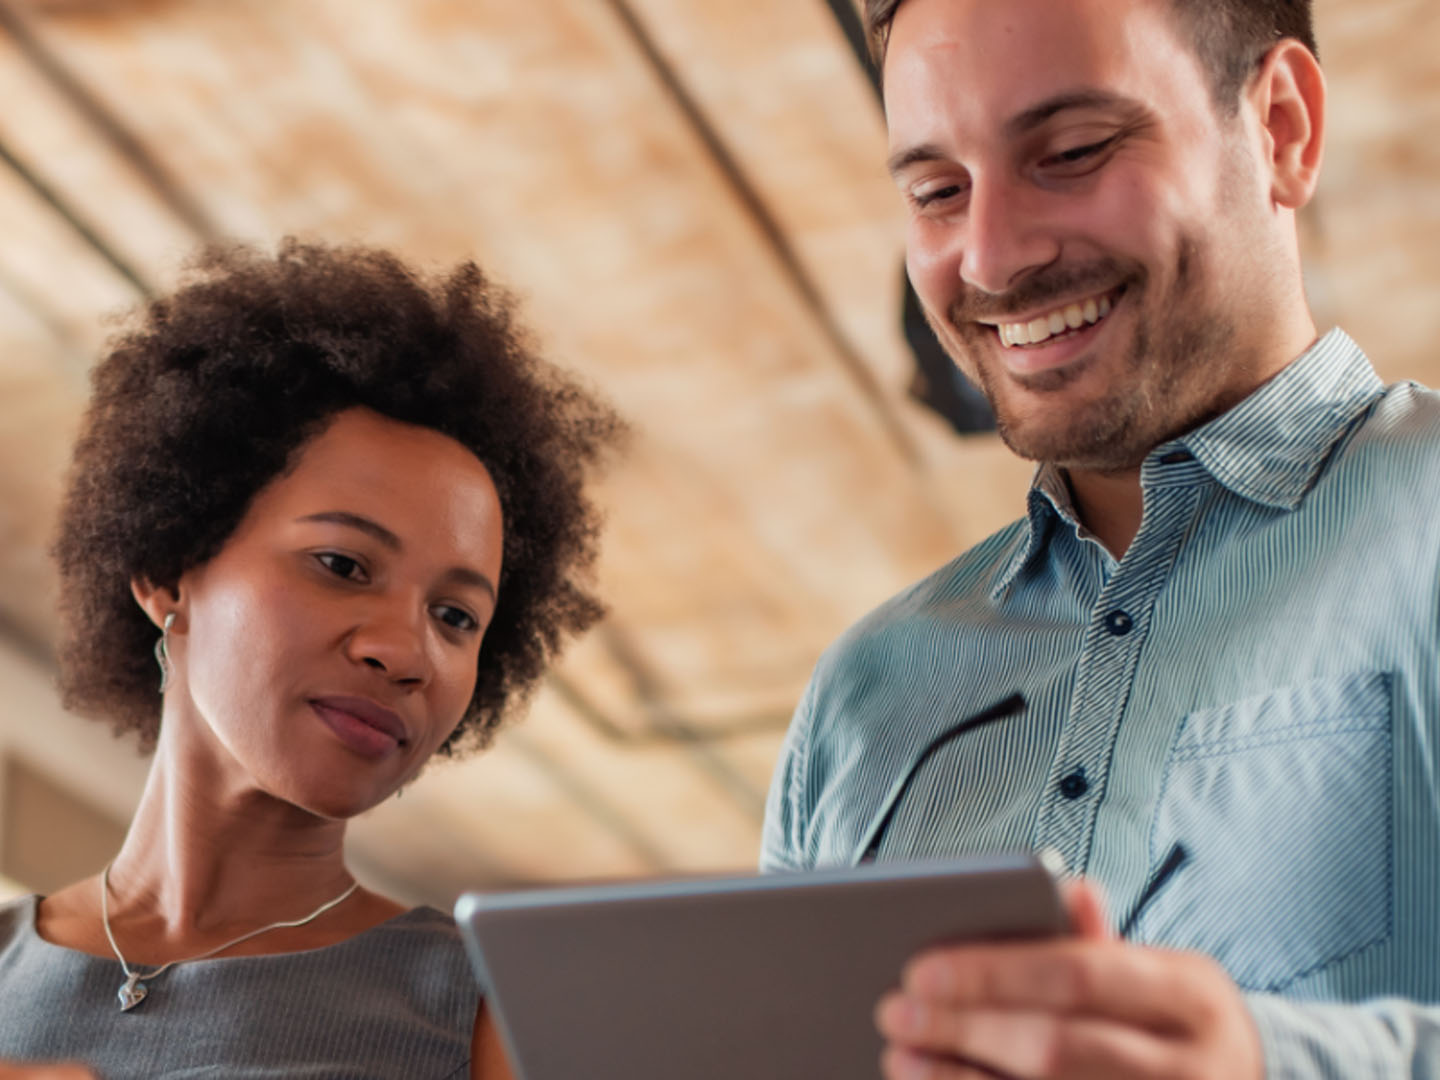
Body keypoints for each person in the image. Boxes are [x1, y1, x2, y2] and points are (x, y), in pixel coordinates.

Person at [761, 0, 1440, 1076]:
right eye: (937, 191)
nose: (989, 257)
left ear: (1283, 127)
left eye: (1072, 153)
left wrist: (1268, 1064)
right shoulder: (861, 701)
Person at [0, 239, 621, 1078]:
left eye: (455, 616)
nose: (405, 653)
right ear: (167, 564)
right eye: (342, 565)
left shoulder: (495, 1014)